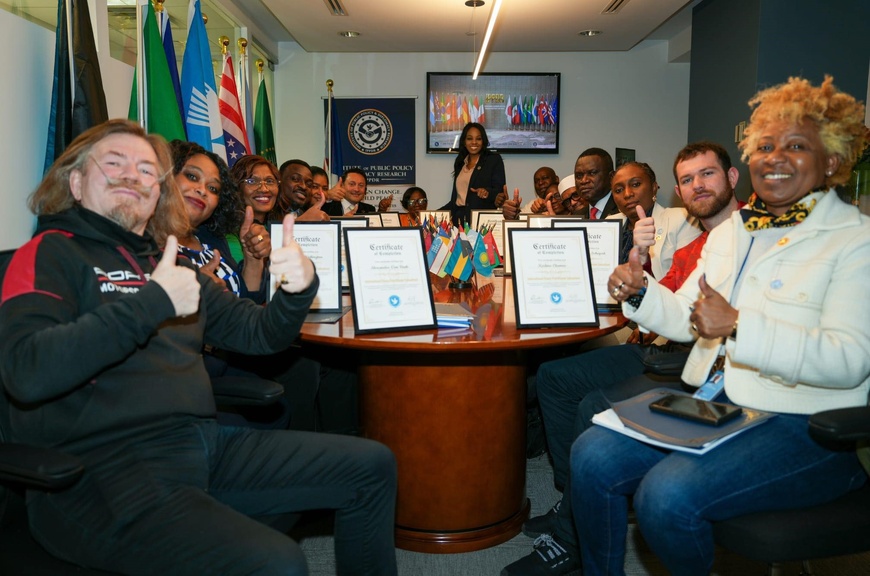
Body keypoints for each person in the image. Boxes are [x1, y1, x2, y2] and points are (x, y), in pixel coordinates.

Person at [0, 119, 398, 575]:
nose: (133, 175)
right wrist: (151, 303)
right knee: (278, 562)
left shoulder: (165, 261)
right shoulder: (49, 255)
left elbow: (260, 334)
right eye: (114, 163)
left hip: (201, 447)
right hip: (103, 478)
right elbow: (26, 372)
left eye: (148, 171)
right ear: (75, 180)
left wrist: (297, 289)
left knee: (372, 465)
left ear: (157, 193)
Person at [574, 76, 869, 576]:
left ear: (831, 160)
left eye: (796, 146)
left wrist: (738, 325)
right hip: (719, 401)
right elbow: (687, 318)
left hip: (805, 425)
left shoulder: (853, 240)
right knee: (592, 455)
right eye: (764, 146)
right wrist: (640, 290)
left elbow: (849, 360)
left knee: (665, 496)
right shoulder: (733, 233)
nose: (775, 158)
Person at [502, 141, 741, 576]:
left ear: (732, 178)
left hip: (706, 374)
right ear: (678, 188)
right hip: (668, 350)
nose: (697, 186)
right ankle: (570, 497)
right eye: (688, 179)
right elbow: (671, 305)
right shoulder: (708, 244)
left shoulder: (738, 235)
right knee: (555, 379)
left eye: (706, 175)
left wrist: (729, 321)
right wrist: (637, 279)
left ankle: (570, 534)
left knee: (594, 407)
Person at [172, 141, 270, 303]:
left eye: (213, 188)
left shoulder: (210, 238)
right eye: (192, 176)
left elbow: (247, 302)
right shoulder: (146, 241)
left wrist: (253, 258)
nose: (202, 190)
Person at [608, 161, 702, 272]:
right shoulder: (609, 224)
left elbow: (685, 278)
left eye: (635, 184)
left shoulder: (682, 219)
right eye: (618, 190)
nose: (627, 194)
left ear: (654, 188)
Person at [441, 122, 505, 225]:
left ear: (483, 141)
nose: (474, 142)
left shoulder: (493, 160)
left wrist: (486, 192)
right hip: (458, 221)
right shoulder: (460, 162)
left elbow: (500, 192)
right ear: (464, 141)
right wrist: (432, 213)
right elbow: (457, 200)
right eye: (469, 138)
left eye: (478, 139)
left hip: (481, 222)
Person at [575, 147, 620, 220]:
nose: (584, 180)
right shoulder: (578, 216)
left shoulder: (623, 211)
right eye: (579, 175)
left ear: (611, 177)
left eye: (592, 173)